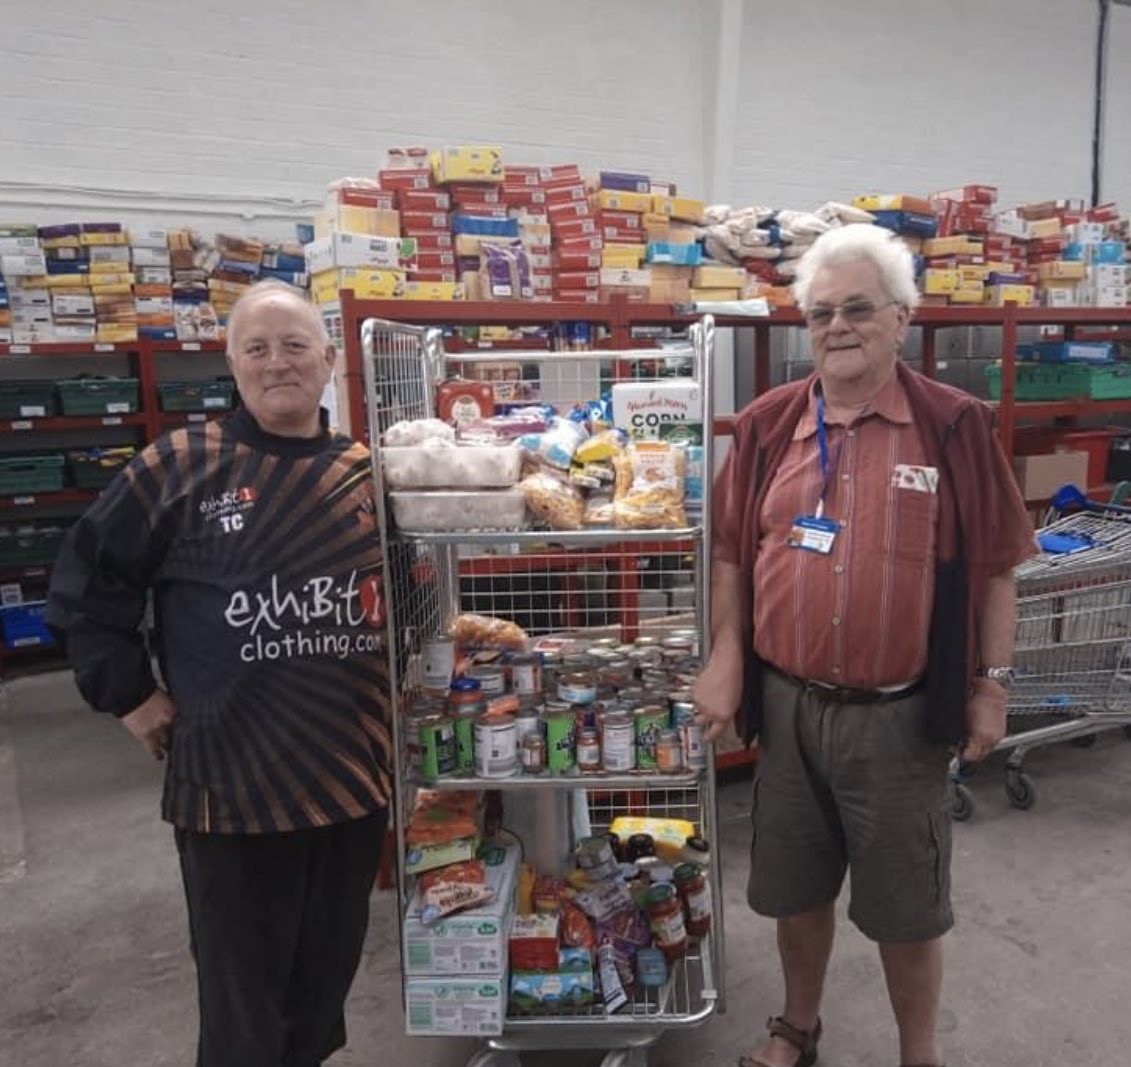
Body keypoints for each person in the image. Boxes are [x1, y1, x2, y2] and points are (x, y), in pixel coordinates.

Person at [693, 224, 1034, 1067]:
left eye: (855, 308)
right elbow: (733, 551)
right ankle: (796, 1027)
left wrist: (989, 685)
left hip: (898, 717)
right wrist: (725, 655)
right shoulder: (769, 424)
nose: (835, 326)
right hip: (789, 705)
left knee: (905, 907)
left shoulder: (952, 426)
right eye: (819, 313)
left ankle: (918, 1054)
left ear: (900, 319)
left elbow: (995, 568)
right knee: (794, 890)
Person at [47, 280, 392, 1067]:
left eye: (295, 345)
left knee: (321, 985)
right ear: (231, 362)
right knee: (242, 1006)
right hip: (231, 790)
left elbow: (408, 597)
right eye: (258, 348)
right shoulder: (178, 465)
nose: (278, 364)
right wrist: (130, 695)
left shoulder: (364, 473)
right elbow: (84, 588)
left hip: (349, 783)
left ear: (329, 360)